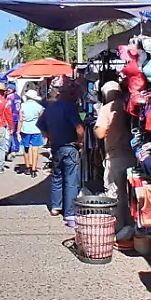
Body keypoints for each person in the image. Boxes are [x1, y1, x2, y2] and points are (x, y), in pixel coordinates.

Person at [38, 84, 85, 227]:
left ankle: (55, 206)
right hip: (70, 146)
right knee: (71, 180)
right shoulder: (70, 107)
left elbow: (41, 126)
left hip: (56, 146)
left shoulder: (49, 108)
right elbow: (80, 128)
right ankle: (69, 212)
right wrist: (80, 142)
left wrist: (50, 138)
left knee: (57, 176)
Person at [94, 80, 136, 230]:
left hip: (114, 156)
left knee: (114, 193)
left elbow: (99, 133)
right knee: (131, 194)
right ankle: (132, 227)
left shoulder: (106, 109)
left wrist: (96, 126)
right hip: (133, 155)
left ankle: (118, 229)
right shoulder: (129, 106)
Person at [19, 88, 45, 176]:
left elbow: (20, 119)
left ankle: (27, 167)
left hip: (25, 129)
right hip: (36, 129)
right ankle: (33, 170)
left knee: (26, 149)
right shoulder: (39, 106)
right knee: (35, 149)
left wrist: (18, 131)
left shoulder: (23, 105)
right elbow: (42, 119)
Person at [5, 83, 22, 155]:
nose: (8, 90)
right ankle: (17, 148)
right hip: (17, 116)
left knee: (10, 133)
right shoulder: (18, 97)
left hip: (12, 117)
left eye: (9, 89)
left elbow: (8, 108)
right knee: (16, 133)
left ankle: (12, 149)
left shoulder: (9, 97)